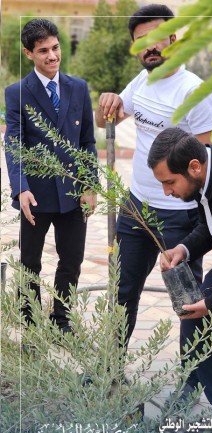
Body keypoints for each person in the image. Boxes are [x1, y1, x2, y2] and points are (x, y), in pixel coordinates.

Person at [95, 4, 212, 347]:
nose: (150, 46)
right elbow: (106, 121)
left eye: (157, 37)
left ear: (173, 39)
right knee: (123, 290)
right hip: (137, 207)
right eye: (141, 41)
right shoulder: (141, 82)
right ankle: (110, 367)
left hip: (180, 215)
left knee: (188, 300)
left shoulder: (194, 91)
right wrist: (108, 102)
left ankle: (193, 372)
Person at [4, 18, 97, 334]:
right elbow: (14, 145)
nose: (52, 56)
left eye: (55, 48)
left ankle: (62, 321)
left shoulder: (78, 88)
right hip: (36, 195)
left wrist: (90, 185)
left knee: (72, 261)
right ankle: (29, 324)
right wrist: (21, 188)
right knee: (30, 262)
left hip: (73, 193)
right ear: (28, 53)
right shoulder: (17, 93)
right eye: (43, 50)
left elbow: (87, 142)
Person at [148, 128, 212, 433]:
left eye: (170, 182)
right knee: (197, 325)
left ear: (193, 167)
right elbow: (210, 228)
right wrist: (183, 249)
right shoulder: (204, 177)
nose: (167, 192)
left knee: (204, 319)